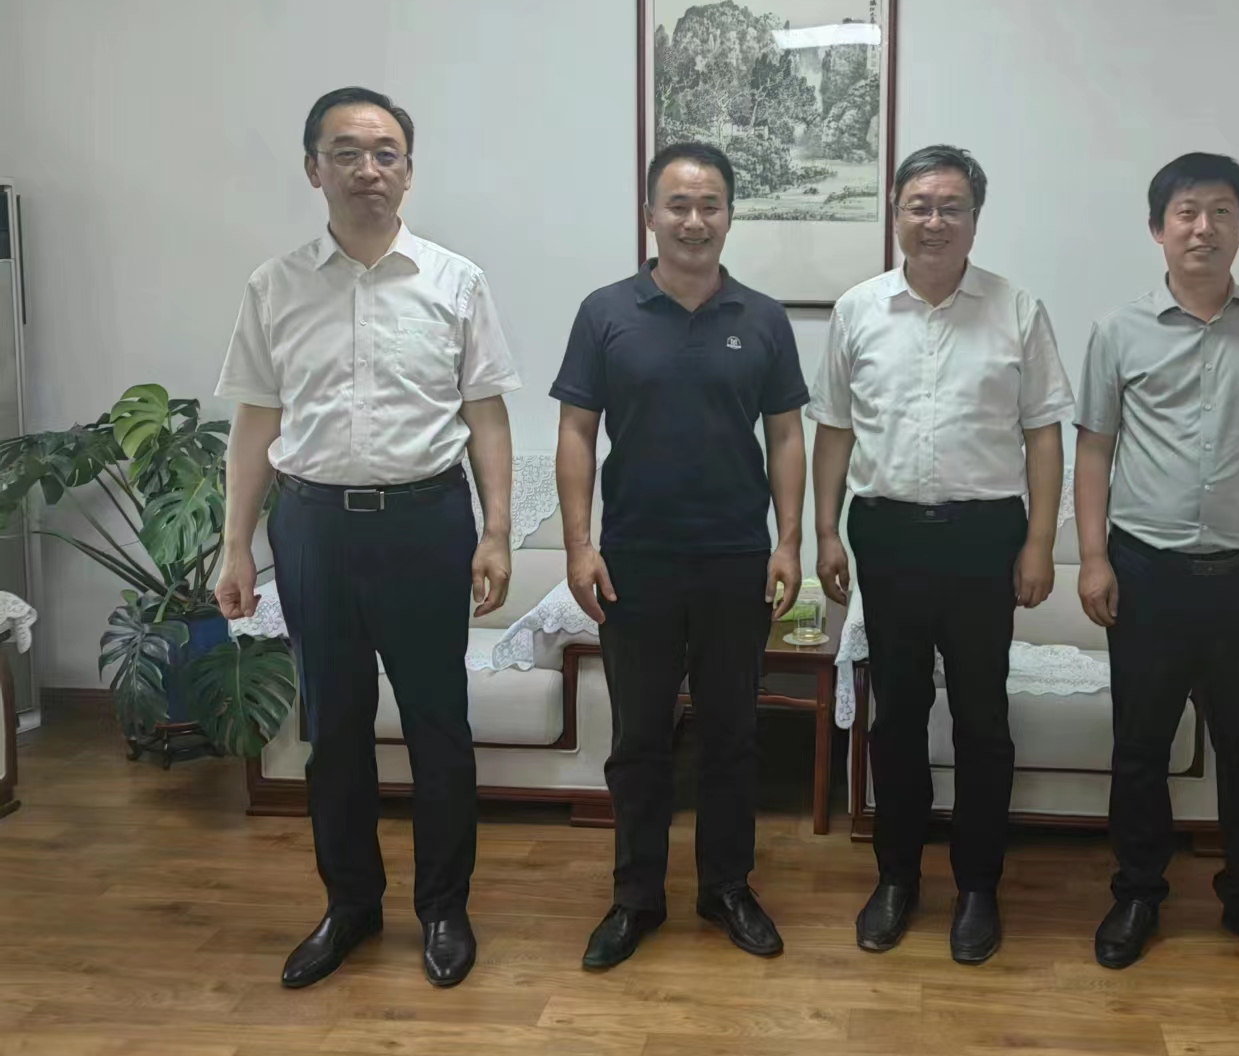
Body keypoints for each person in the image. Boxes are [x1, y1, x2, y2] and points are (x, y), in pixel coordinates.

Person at [214, 87, 520, 990]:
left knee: (439, 727)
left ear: (409, 172)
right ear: (314, 169)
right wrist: (236, 545)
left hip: (427, 523)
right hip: (312, 528)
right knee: (334, 729)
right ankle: (350, 905)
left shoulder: (456, 281)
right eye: (345, 152)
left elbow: (487, 416)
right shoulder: (274, 287)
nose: (367, 169)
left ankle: (444, 909)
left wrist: (498, 532)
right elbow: (256, 423)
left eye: (385, 153)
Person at [811, 145, 1074, 964]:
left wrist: (1040, 543)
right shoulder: (858, 310)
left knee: (982, 718)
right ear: (896, 213)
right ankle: (897, 877)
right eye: (919, 206)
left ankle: (978, 886)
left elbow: (1043, 435)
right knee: (895, 717)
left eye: (951, 207)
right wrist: (826, 531)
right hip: (886, 533)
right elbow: (834, 430)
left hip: (983, 538)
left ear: (975, 218)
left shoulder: (1017, 309)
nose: (934, 221)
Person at [555, 142, 808, 970]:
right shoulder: (606, 313)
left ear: (729, 215)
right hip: (635, 560)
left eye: (710, 205)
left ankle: (726, 887)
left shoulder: (763, 319)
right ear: (650, 215)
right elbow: (576, 432)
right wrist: (580, 547)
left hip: (737, 559)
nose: (694, 220)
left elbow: (786, 435)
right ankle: (636, 896)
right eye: (678, 205)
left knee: (733, 735)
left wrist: (790, 541)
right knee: (639, 739)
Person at [1073, 151, 1239, 982]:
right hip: (1148, 571)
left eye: (1220, 211)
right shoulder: (1118, 330)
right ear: (1157, 229)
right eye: (1185, 212)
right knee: (1140, 746)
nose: (1202, 227)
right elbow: (1095, 448)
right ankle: (1138, 893)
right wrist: (1094, 557)